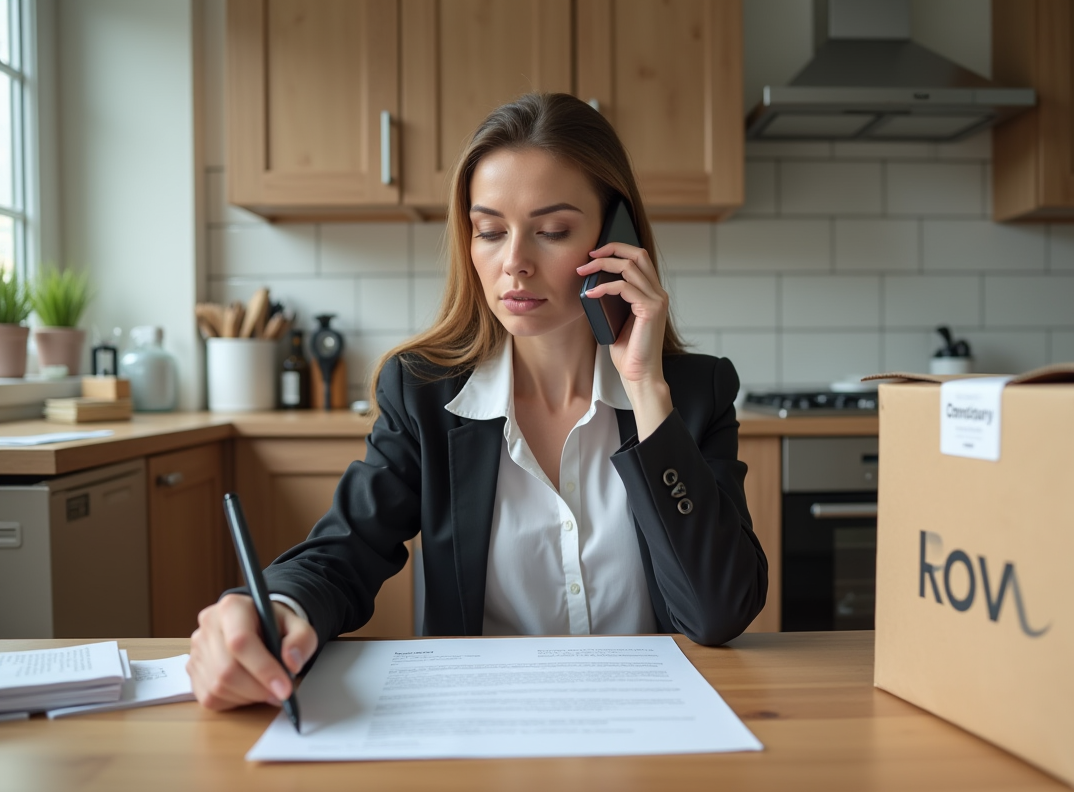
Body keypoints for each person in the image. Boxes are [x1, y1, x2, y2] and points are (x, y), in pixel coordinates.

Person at [188, 93, 767, 711]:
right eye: (490, 231)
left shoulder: (695, 394)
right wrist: (272, 607)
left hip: (649, 724)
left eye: (553, 231)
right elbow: (345, 549)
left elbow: (716, 611)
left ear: (615, 238)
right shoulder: (423, 393)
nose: (513, 262)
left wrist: (647, 389)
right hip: (481, 725)